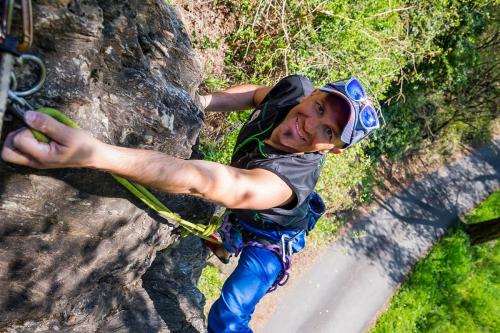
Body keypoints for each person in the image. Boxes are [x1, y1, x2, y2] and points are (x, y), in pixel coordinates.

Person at [1, 74, 382, 332]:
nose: (309, 125)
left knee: (230, 313)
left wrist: (94, 154)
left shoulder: (282, 184)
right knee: (217, 236)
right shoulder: (293, 91)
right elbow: (252, 95)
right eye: (319, 108)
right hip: (241, 209)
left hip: (271, 236)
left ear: (334, 150)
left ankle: (230, 246)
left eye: (327, 131)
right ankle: (225, 238)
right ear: (314, 94)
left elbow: (204, 182)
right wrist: (196, 103)